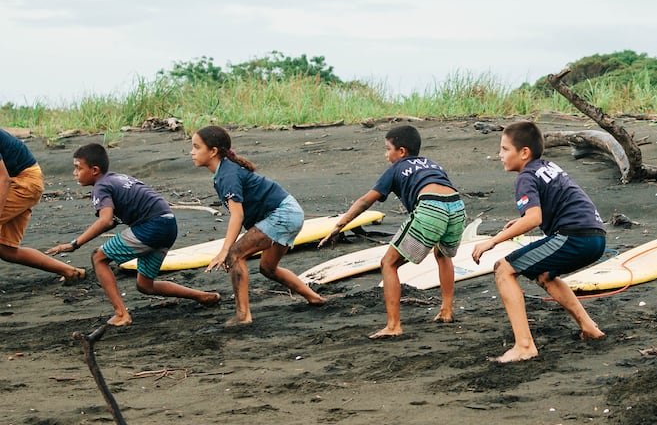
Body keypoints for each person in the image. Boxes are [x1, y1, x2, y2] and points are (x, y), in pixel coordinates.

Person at [469, 120, 606, 363]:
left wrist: (493, 241)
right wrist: (519, 221)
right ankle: (589, 328)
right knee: (544, 274)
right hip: (595, 236)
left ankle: (524, 346)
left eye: (505, 149)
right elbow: (552, 204)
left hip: (574, 236)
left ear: (524, 152)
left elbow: (534, 218)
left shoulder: (526, 177)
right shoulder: (546, 166)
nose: (500, 155)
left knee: (503, 269)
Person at [46, 143, 220, 325]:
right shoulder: (117, 178)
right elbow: (113, 220)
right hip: (168, 225)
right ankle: (202, 296)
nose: (74, 173)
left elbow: (105, 221)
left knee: (99, 258)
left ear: (95, 170)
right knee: (145, 285)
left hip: (151, 227)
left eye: (78, 168)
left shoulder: (101, 187)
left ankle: (121, 314)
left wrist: (75, 244)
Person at [319, 125, 466, 339]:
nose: (386, 154)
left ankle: (393, 326)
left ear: (402, 151)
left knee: (388, 263)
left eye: (388, 149)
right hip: (456, 206)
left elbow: (365, 201)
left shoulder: (396, 168)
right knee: (443, 255)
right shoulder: (432, 164)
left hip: (431, 206)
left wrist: (339, 226)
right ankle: (447, 310)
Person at [190, 125, 326, 325]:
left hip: (282, 214)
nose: (191, 152)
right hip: (289, 213)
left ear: (213, 151)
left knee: (234, 256)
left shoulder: (227, 175)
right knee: (268, 268)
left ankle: (243, 316)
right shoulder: (224, 171)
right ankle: (314, 298)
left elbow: (237, 216)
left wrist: (225, 250)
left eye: (196, 147)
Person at [1, 128, 87, 281]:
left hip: (23, 182)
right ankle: (71, 272)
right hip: (19, 179)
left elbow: (4, 179)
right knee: (6, 249)